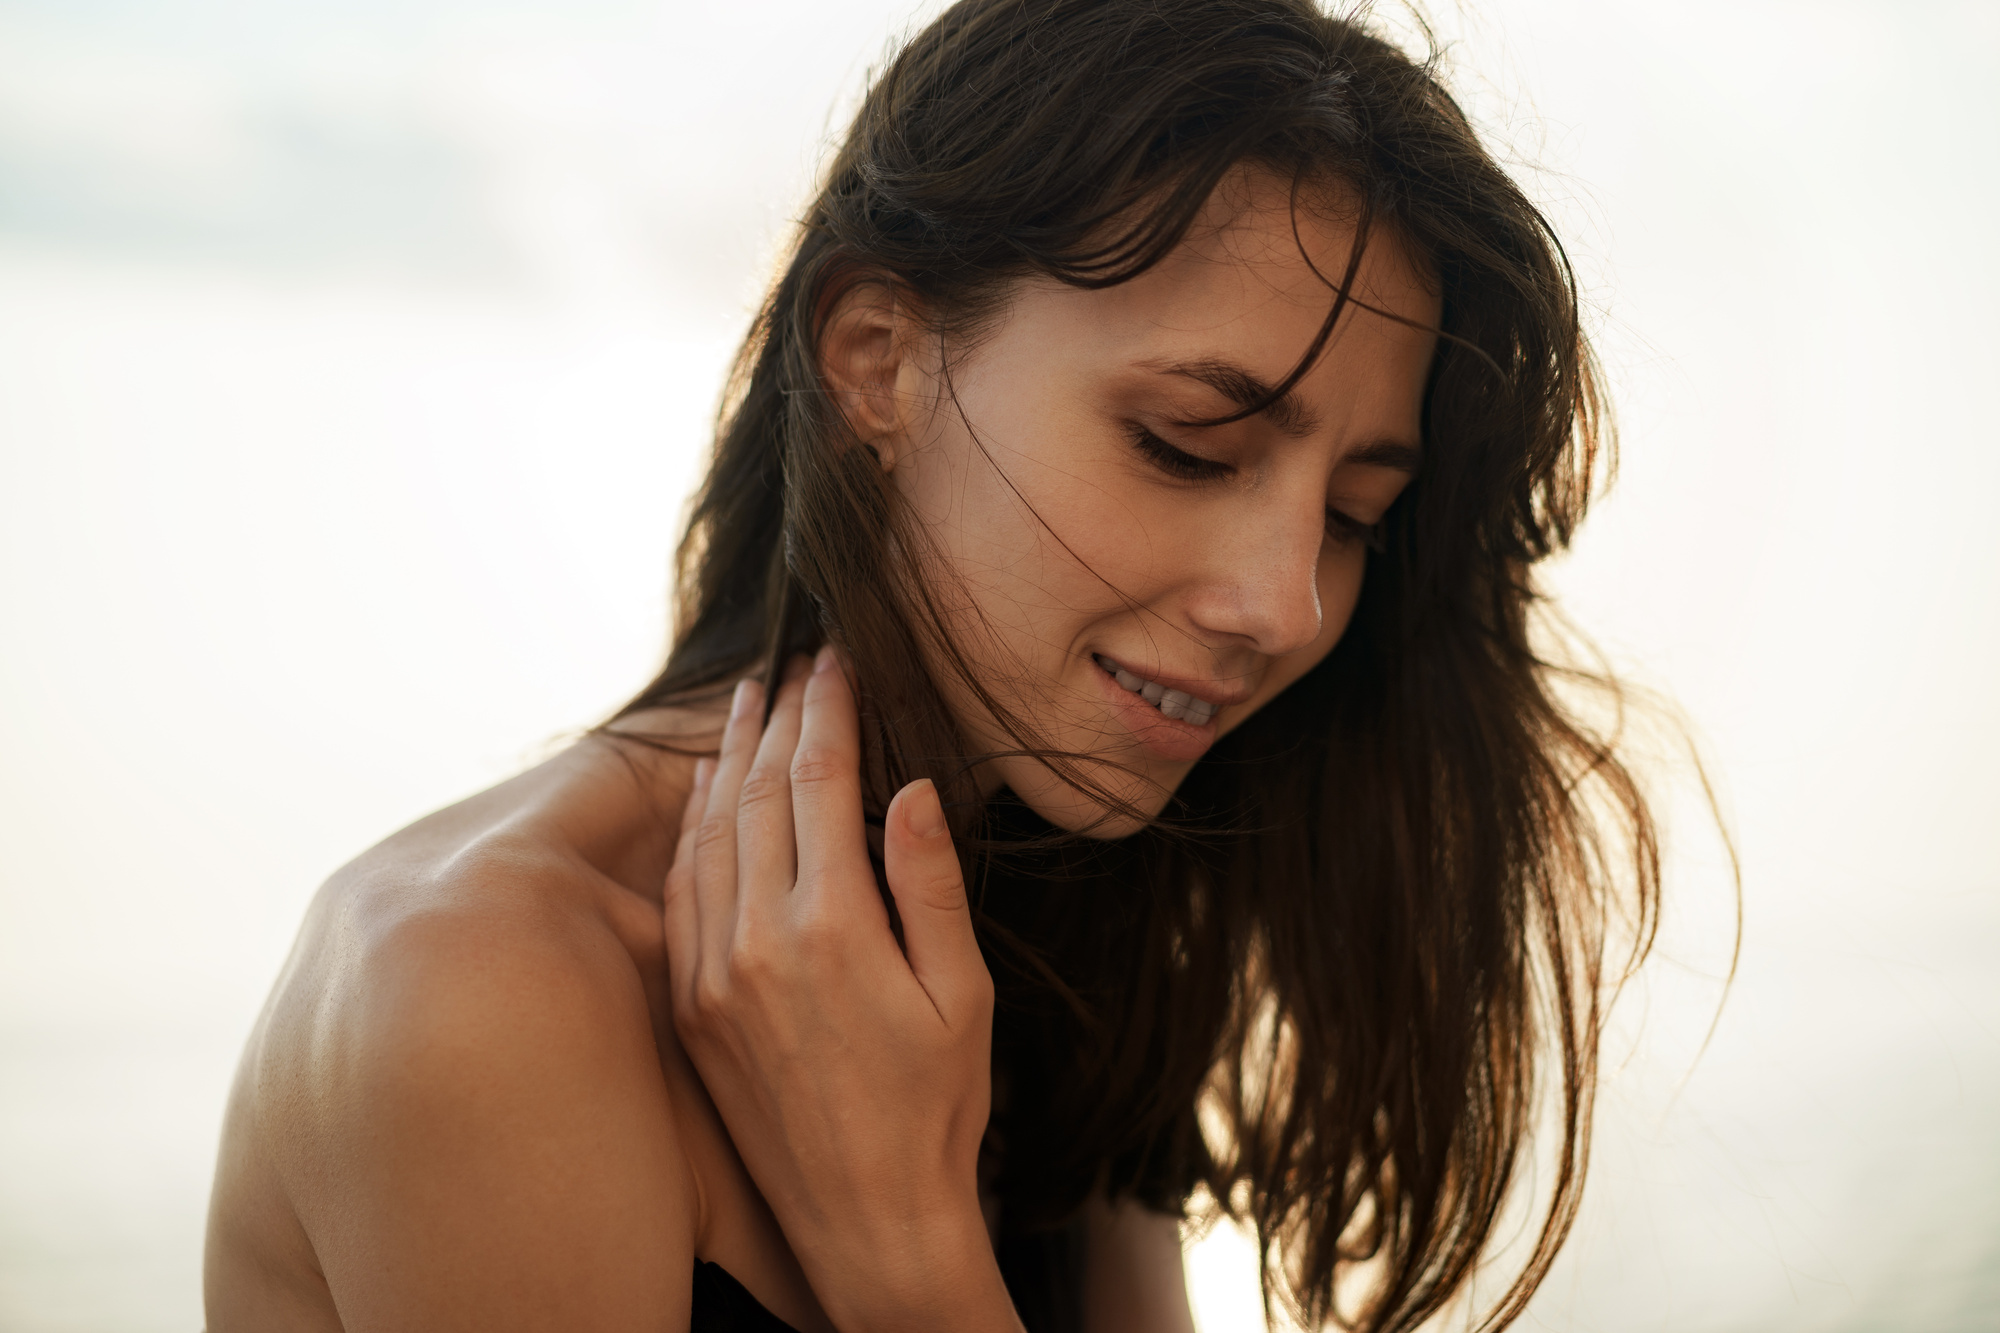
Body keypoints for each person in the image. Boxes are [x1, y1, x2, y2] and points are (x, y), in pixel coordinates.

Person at [203, 1, 1662, 1329]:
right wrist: (907, 1251)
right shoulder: (481, 998)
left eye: (1355, 517)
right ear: (879, 361)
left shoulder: (1050, 917)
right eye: (1187, 446)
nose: (1286, 603)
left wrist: (908, 1247)